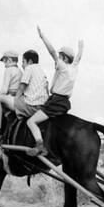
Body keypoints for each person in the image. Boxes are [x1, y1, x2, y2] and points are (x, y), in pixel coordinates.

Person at [24, 26, 84, 156]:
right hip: (64, 103)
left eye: (60, 56)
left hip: (55, 101)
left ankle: (40, 146)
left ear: (65, 59)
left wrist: (42, 37)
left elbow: (51, 51)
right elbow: (78, 58)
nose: (57, 59)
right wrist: (81, 49)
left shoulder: (63, 67)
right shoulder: (74, 68)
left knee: (31, 121)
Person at [14, 49, 49, 127]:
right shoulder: (41, 71)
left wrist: (15, 100)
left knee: (2, 99)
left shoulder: (29, 68)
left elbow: (22, 86)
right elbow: (47, 89)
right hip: (43, 107)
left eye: (23, 62)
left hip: (33, 106)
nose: (22, 65)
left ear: (29, 61)